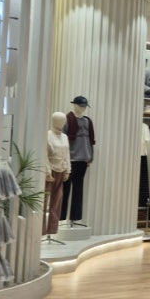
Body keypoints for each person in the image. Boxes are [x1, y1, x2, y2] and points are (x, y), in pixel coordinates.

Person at [61, 96, 95, 226]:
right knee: (65, 190)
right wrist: (64, 159)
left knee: (78, 189)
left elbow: (91, 141)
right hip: (71, 159)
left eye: (85, 106)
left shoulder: (87, 121)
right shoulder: (67, 119)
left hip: (83, 160)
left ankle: (75, 218)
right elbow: (63, 140)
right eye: (81, 106)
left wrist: (91, 156)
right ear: (74, 105)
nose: (83, 108)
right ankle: (61, 218)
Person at [43, 112, 71, 236]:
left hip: (61, 170)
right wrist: (47, 171)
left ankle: (52, 230)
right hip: (50, 171)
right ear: (54, 121)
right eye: (60, 120)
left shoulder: (64, 137)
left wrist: (68, 169)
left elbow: (67, 154)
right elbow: (45, 154)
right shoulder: (47, 135)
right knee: (44, 202)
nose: (62, 123)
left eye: (63, 121)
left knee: (57, 202)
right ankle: (42, 230)